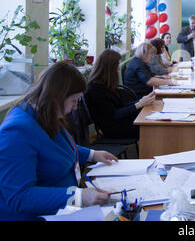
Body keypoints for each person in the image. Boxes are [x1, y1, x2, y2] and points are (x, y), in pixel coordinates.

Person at [0, 62, 118, 221]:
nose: (75, 107)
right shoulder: (16, 132)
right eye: (74, 100)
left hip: (64, 208)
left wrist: (91, 154)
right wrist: (79, 196)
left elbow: (53, 148)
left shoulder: (42, 113)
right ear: (56, 97)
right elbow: (20, 197)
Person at [85, 49, 156, 139]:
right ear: (109, 67)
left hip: (120, 122)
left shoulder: (106, 83)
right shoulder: (95, 89)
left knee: (150, 119)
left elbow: (122, 105)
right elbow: (113, 115)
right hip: (113, 128)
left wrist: (141, 101)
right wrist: (139, 104)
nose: (118, 68)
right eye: (117, 64)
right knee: (152, 127)